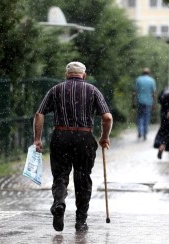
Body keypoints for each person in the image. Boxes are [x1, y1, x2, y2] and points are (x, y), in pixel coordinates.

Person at [33, 61, 113, 232]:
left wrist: (37, 139)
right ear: (84, 75)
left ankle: (59, 202)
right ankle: (81, 221)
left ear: (66, 74)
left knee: (60, 175)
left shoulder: (56, 90)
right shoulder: (93, 90)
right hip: (84, 138)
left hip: (60, 136)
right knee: (83, 179)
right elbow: (107, 117)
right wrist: (104, 137)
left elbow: (39, 114)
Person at [134, 67, 156, 140]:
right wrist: (154, 103)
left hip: (140, 101)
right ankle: (145, 133)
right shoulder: (152, 81)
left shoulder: (138, 79)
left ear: (142, 73)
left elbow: (135, 92)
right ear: (149, 73)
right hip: (148, 102)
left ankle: (140, 131)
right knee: (146, 117)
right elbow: (153, 93)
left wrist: (133, 102)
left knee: (140, 117)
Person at [154, 84, 169, 159]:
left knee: (163, 131)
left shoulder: (165, 90)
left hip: (163, 114)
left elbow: (159, 100)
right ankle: (166, 148)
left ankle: (161, 146)